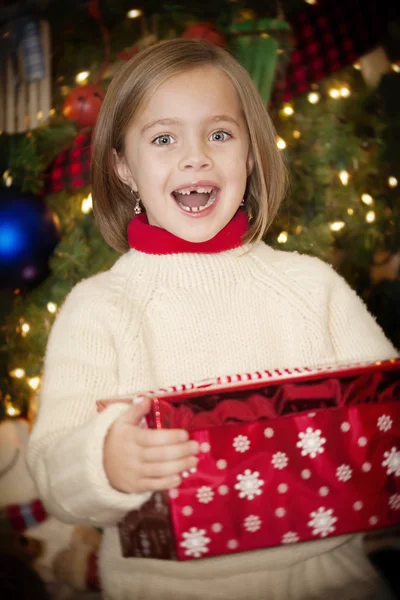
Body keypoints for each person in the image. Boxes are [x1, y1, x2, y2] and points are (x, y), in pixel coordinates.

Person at [27, 39, 398, 600]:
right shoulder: (99, 308)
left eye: (220, 134)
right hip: (164, 588)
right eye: (163, 138)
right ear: (123, 167)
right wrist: (103, 460)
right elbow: (54, 473)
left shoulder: (311, 286)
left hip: (328, 576)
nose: (195, 155)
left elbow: (383, 417)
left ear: (250, 156)